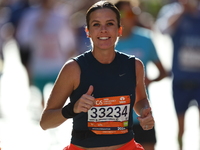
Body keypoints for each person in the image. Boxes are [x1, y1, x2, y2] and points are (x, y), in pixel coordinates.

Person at [40, 1, 154, 150]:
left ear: (119, 30)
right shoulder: (73, 69)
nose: (103, 30)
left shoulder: (134, 65)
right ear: (87, 32)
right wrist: (73, 108)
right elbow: (45, 122)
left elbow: (140, 101)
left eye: (110, 24)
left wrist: (145, 112)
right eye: (96, 25)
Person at [114, 1, 168, 150]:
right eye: (124, 14)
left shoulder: (146, 39)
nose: (129, 18)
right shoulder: (107, 43)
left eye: (132, 13)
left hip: (142, 115)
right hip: (114, 119)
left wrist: (149, 80)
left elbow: (163, 72)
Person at [156, 0, 200, 149]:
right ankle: (180, 147)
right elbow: (163, 30)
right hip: (181, 80)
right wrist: (182, 11)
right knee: (180, 125)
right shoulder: (173, 11)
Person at [16, 0, 77, 107]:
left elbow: (69, 41)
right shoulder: (30, 16)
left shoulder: (61, 16)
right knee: (41, 96)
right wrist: (37, 27)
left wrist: (68, 58)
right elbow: (23, 39)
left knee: (58, 97)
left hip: (57, 64)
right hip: (39, 64)